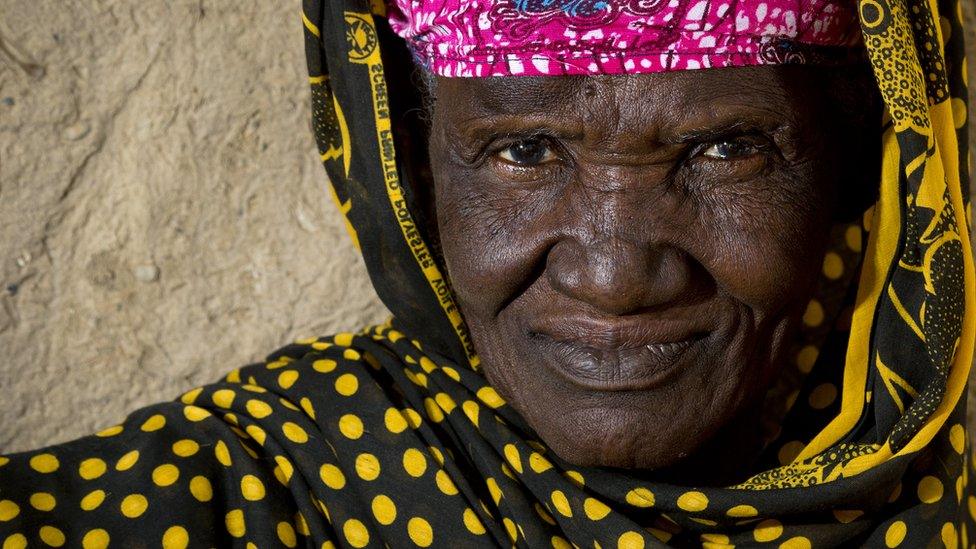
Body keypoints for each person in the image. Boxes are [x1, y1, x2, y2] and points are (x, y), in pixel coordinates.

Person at [0, 0, 973, 547]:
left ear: (861, 158)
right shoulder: (299, 480)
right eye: (525, 153)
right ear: (410, 171)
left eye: (724, 151)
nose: (615, 274)